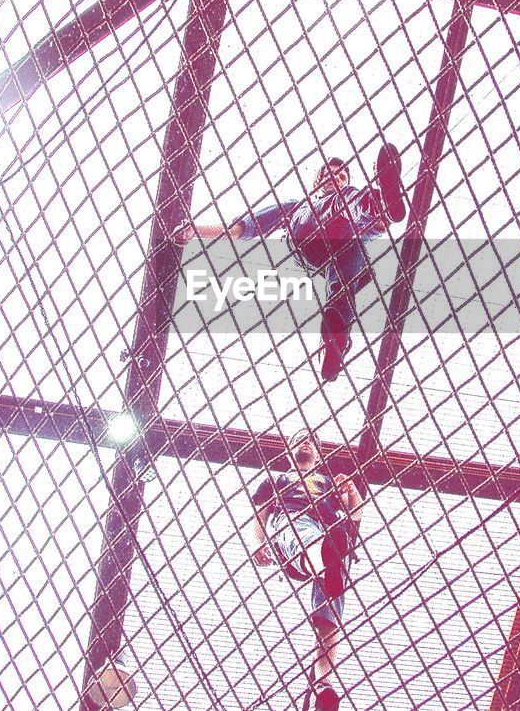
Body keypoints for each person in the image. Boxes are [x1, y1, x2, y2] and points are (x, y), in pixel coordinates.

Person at [174, 146, 407, 381]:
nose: (334, 177)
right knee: (346, 203)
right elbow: (242, 228)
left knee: (353, 251)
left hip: (343, 247)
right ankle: (378, 204)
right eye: (327, 174)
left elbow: (369, 229)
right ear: (316, 184)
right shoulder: (297, 206)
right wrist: (195, 231)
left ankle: (334, 339)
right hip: (307, 234)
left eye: (340, 175)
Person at [250, 432, 364, 710]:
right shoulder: (276, 480)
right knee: (302, 531)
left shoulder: (327, 482)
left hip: (327, 531)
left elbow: (356, 514)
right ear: (288, 451)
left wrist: (351, 492)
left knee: (331, 609)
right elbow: (260, 513)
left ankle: (323, 684)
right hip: (293, 524)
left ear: (318, 452)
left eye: (311, 439)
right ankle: (323, 562)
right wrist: (257, 544)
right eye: (299, 439)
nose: (305, 441)